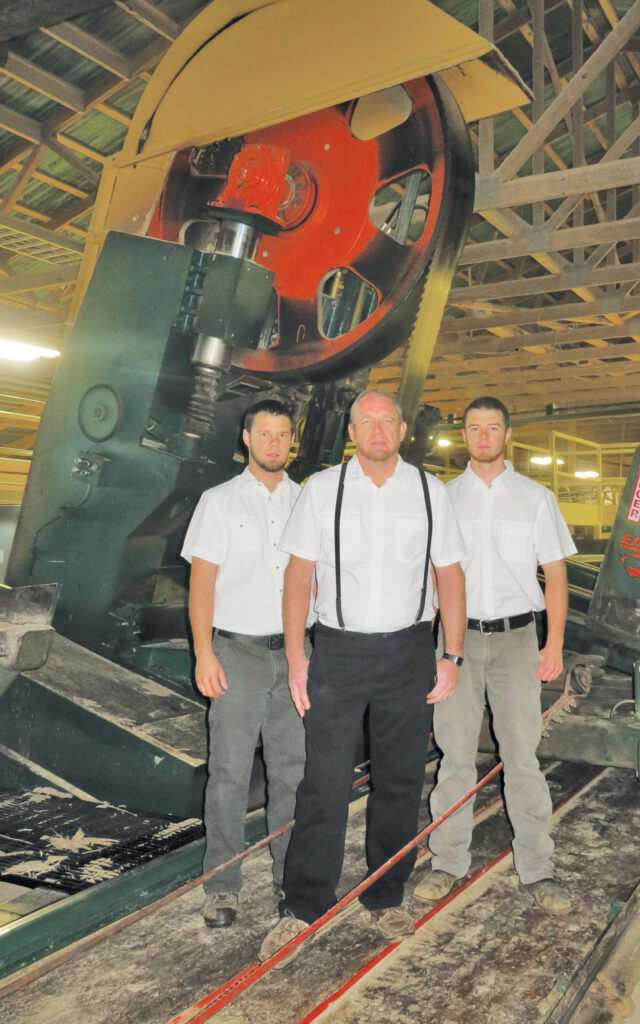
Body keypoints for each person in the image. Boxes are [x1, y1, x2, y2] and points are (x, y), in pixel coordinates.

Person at [258, 389, 466, 963]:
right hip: (338, 657)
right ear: (352, 432)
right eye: (365, 421)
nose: (377, 429)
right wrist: (299, 655)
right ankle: (303, 906)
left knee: (400, 780)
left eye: (386, 421)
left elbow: (448, 575)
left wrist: (452, 654)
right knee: (322, 783)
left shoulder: (430, 492)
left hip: (408, 654)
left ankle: (387, 896)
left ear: (402, 431)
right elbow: (299, 575)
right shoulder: (324, 490)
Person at [415, 396, 577, 914]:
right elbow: (430, 576)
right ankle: (446, 861)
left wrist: (553, 643)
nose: (483, 436)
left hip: (515, 640)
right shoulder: (443, 497)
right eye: (474, 428)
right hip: (457, 645)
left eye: (493, 428)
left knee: (522, 757)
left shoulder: (535, 498)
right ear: (464, 436)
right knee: (454, 756)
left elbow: (554, 574)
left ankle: (538, 866)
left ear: (509, 435)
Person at [181, 398, 311, 928]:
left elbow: (317, 581)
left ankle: (290, 879)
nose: (274, 443)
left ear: (291, 442)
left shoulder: (309, 502)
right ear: (246, 438)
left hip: (297, 655)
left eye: (283, 434)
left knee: (293, 775)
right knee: (230, 775)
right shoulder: (218, 502)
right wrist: (204, 652)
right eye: (265, 433)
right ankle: (223, 886)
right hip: (236, 653)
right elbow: (202, 583)